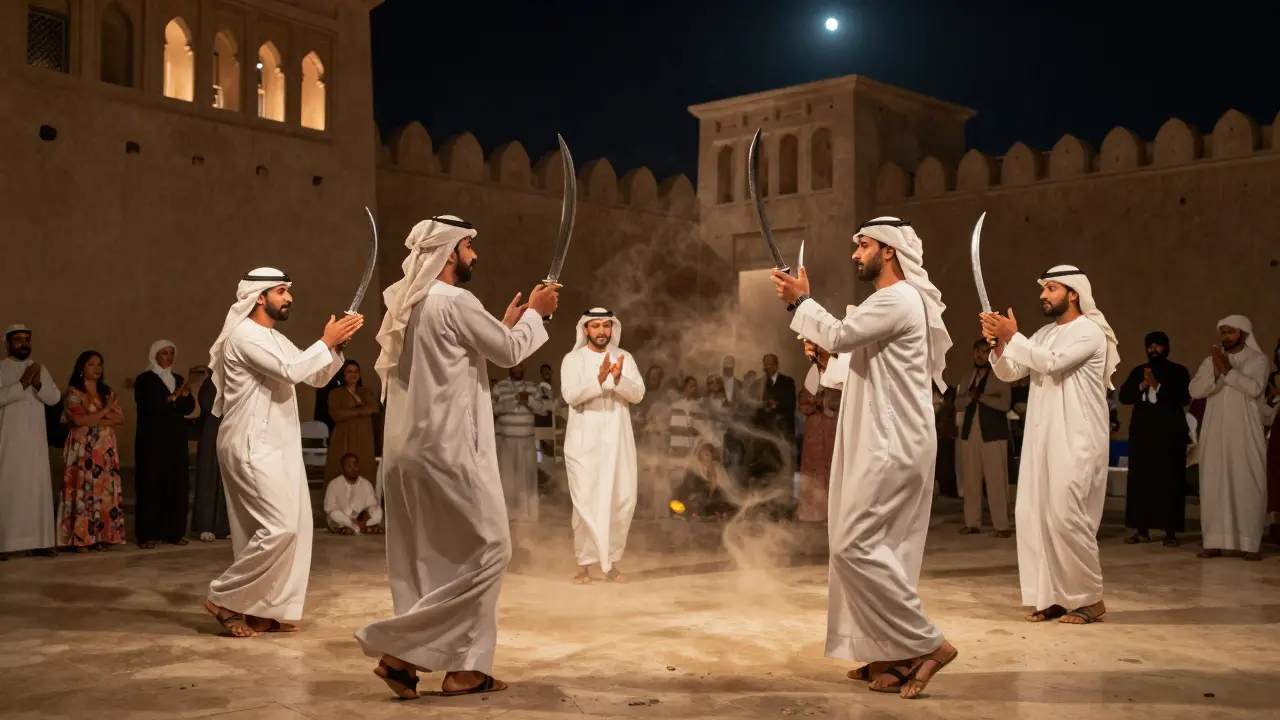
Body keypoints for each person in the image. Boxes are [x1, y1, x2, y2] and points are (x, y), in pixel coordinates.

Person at [354, 215, 557, 700]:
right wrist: (538, 315)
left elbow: (460, 353)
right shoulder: (454, 300)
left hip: (406, 454)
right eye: (468, 246)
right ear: (449, 252)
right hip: (448, 452)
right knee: (492, 549)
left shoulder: (404, 303)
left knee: (428, 559)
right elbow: (509, 353)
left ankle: (459, 668)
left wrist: (504, 325)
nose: (474, 255)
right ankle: (401, 653)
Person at [773, 217, 958, 700]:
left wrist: (800, 301)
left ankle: (927, 644)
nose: (855, 254)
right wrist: (824, 357)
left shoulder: (898, 299)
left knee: (853, 546)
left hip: (891, 443)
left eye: (864, 245)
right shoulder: (889, 303)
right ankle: (891, 654)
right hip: (882, 440)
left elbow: (839, 335)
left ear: (889, 251)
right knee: (882, 550)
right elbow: (858, 363)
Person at [203, 268, 360, 638]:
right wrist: (325, 340)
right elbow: (290, 371)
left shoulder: (275, 338)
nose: (289, 297)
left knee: (298, 528)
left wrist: (336, 346)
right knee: (280, 528)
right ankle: (223, 598)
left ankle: (264, 610)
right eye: (281, 291)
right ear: (259, 297)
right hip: (251, 442)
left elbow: (314, 376)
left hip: (279, 444)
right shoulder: (243, 335)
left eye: (288, 291)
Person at [981, 265, 1117, 627]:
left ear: (1073, 293)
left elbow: (1053, 364)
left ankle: (1090, 599)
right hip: (1041, 437)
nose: (1043, 295)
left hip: (1077, 435)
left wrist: (1013, 336)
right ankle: (1053, 597)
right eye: (1043, 288)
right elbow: (1011, 372)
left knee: (1067, 516)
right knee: (1036, 515)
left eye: (1051, 288)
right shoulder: (1042, 334)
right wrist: (1000, 345)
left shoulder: (1089, 331)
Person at [561, 308, 645, 585]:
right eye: (595, 325)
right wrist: (597, 381)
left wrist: (618, 379)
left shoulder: (625, 358)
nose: (601, 331)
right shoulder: (572, 360)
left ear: (612, 328)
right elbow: (570, 395)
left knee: (622, 500)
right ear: (585, 329)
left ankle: (610, 562)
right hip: (584, 442)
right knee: (585, 501)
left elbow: (638, 394)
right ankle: (584, 563)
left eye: (606, 325)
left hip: (618, 441)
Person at [1189, 315, 1268, 561]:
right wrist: (1215, 375)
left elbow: (1255, 388)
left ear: (1243, 333)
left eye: (1231, 332)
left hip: (1245, 432)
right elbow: (1195, 390)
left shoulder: (1258, 360)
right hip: (1215, 432)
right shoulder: (1209, 362)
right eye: (1223, 332)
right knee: (1214, 483)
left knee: (1247, 483)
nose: (1226, 337)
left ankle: (1250, 544)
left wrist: (1228, 371)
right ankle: (1214, 541)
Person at [1118, 331, 1192, 547]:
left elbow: (1183, 398)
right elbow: (1124, 397)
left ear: (1166, 347)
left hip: (1170, 436)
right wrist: (1142, 385)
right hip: (1142, 436)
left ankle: (1170, 532)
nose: (1153, 349)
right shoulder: (1138, 371)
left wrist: (1156, 386)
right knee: (1141, 482)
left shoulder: (1178, 371)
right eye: (1150, 346)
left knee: (1170, 482)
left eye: (1158, 345)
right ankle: (1141, 530)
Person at [0, 325, 60, 559]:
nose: (24, 344)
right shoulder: (2, 368)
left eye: (27, 339)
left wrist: (37, 384)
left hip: (35, 441)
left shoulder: (39, 368)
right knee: (9, 488)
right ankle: (4, 543)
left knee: (37, 488)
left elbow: (54, 398)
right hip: (9, 441)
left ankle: (39, 542)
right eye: (18, 340)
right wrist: (23, 383)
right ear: (8, 344)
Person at [58, 350, 126, 552]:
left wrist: (95, 418)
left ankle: (103, 536)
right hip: (83, 449)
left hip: (104, 450)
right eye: (91, 364)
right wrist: (105, 412)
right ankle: (82, 538)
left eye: (99, 364)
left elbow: (119, 418)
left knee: (105, 490)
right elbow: (79, 420)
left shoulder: (107, 392)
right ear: (81, 368)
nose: (96, 368)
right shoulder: (74, 393)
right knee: (84, 489)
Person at [133, 340, 196, 548]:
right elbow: (148, 405)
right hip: (151, 441)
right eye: (164, 353)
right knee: (150, 485)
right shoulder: (144, 380)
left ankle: (174, 532)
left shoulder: (177, 379)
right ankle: (147, 534)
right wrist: (173, 397)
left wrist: (184, 397)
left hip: (175, 440)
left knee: (176, 484)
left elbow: (187, 408)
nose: (169, 357)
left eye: (171, 353)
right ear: (155, 355)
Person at [954, 338, 1013, 537]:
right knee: (970, 480)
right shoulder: (967, 376)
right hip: (970, 432)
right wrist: (968, 398)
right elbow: (957, 403)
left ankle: (1002, 525)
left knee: (996, 480)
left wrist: (981, 397)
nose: (979, 356)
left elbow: (1005, 404)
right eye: (976, 352)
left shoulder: (1001, 375)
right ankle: (972, 522)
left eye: (984, 352)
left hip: (993, 433)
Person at [492, 362, 547, 522]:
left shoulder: (532, 387)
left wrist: (528, 399)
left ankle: (528, 518)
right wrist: (515, 400)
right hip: (506, 441)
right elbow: (493, 409)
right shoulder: (499, 387)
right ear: (510, 367)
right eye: (515, 366)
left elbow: (542, 409)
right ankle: (508, 517)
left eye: (520, 366)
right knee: (507, 479)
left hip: (527, 441)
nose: (517, 369)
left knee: (528, 479)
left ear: (524, 368)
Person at [797, 341, 839, 523]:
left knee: (831, 465)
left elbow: (844, 400)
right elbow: (803, 401)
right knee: (812, 466)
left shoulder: (839, 373)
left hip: (831, 426)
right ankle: (812, 511)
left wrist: (827, 403)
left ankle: (831, 512)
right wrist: (815, 402)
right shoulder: (813, 373)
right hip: (814, 428)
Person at [325, 360, 379, 481]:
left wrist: (351, 411)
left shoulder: (366, 391)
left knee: (364, 465)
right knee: (341, 465)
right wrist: (360, 411)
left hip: (364, 435)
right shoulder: (335, 393)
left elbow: (374, 408)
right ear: (343, 374)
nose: (353, 374)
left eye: (356, 372)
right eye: (350, 372)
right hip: (344, 435)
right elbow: (337, 414)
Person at [193, 373, 230, 541]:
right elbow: (210, 408)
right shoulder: (210, 384)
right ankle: (206, 526)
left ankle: (223, 527)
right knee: (209, 479)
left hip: (229, 434)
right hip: (213, 433)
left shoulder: (234, 381)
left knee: (226, 481)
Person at [324, 453, 382, 534]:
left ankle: (351, 529)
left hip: (362, 519)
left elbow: (372, 505)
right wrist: (349, 520)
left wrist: (363, 519)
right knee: (334, 514)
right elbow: (329, 507)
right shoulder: (333, 484)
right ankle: (361, 529)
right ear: (342, 469)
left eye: (355, 465)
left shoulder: (366, 484)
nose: (353, 469)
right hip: (343, 519)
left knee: (378, 512)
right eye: (349, 466)